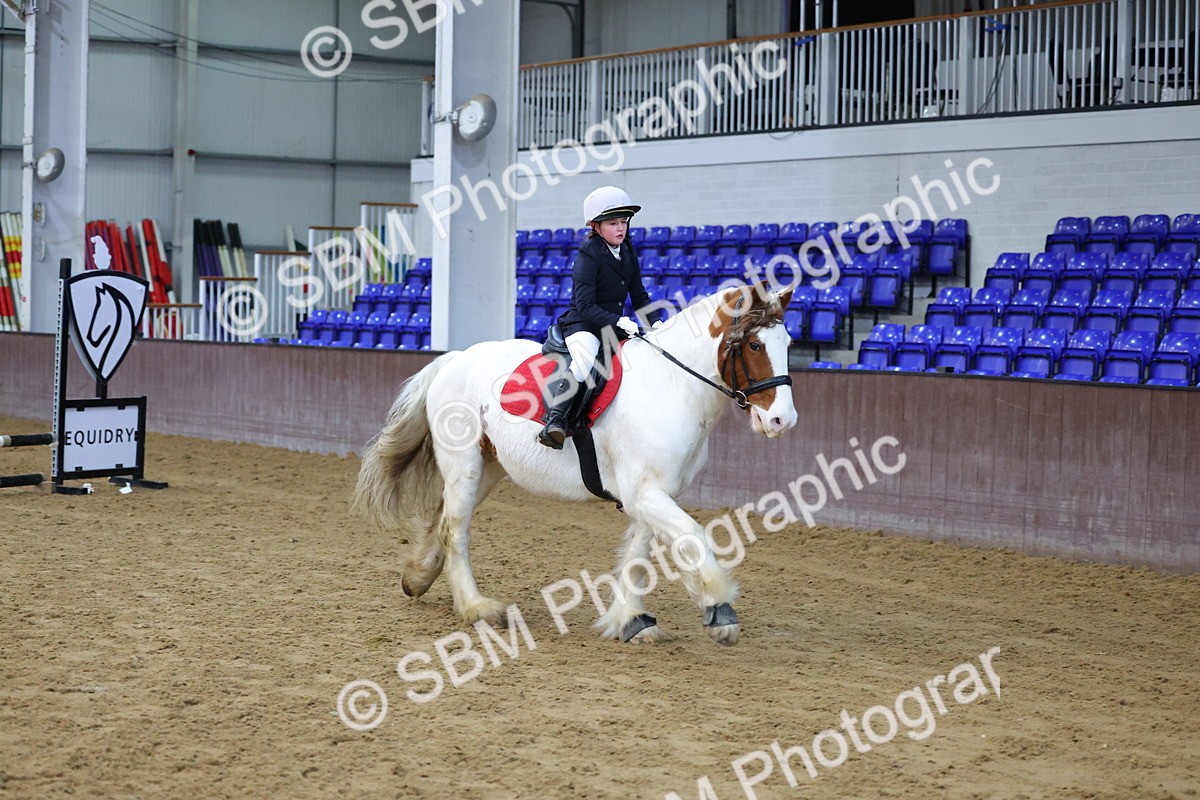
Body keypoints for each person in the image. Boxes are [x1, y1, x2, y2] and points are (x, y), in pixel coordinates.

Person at [536, 186, 666, 449]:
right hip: (583, 324)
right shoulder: (588, 255)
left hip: (612, 325)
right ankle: (555, 421)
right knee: (584, 363)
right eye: (612, 223)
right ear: (596, 226)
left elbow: (639, 295)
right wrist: (618, 321)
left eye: (623, 222)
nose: (620, 228)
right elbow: (584, 306)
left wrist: (657, 325)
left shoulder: (627, 250)